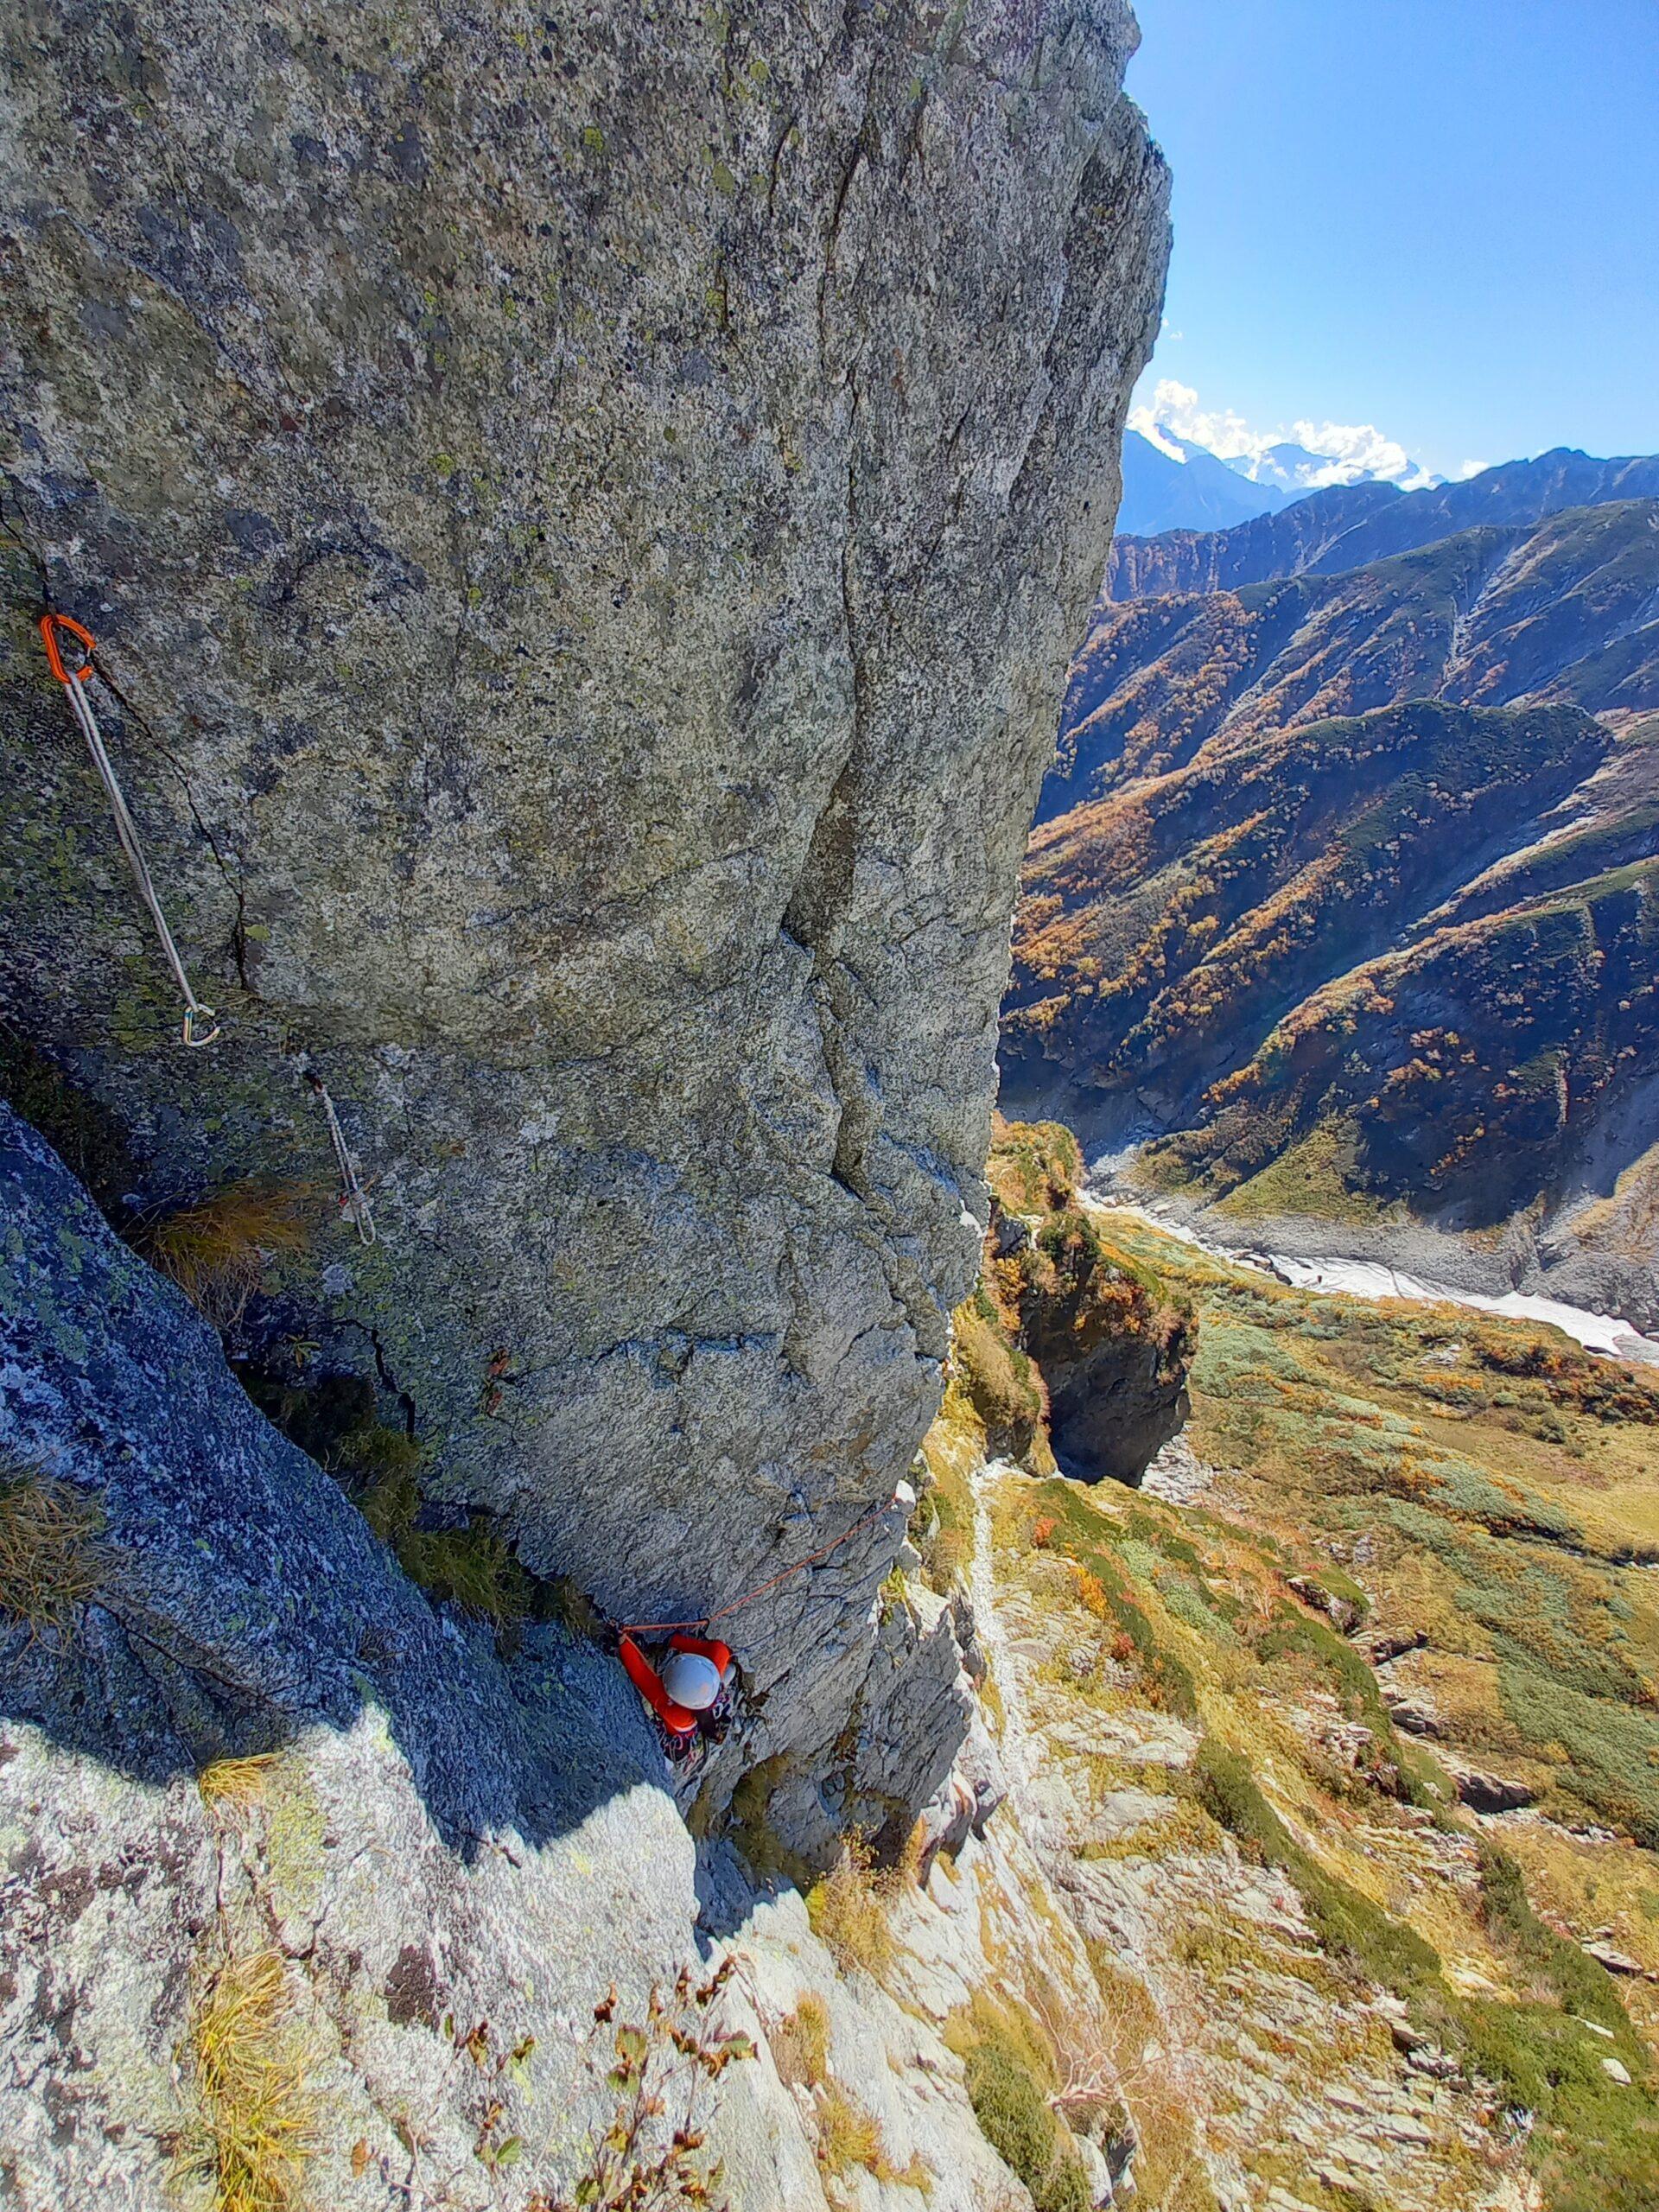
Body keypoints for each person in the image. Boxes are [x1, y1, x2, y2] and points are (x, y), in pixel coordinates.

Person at [618, 1630, 736, 1765]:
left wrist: (624, 1643)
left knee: (672, 1759)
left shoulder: (680, 1717)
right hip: (699, 1689)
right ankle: (672, 1641)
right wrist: (674, 1641)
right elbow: (722, 1650)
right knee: (729, 1664)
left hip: (677, 1733)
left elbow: (643, 1677)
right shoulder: (714, 1674)